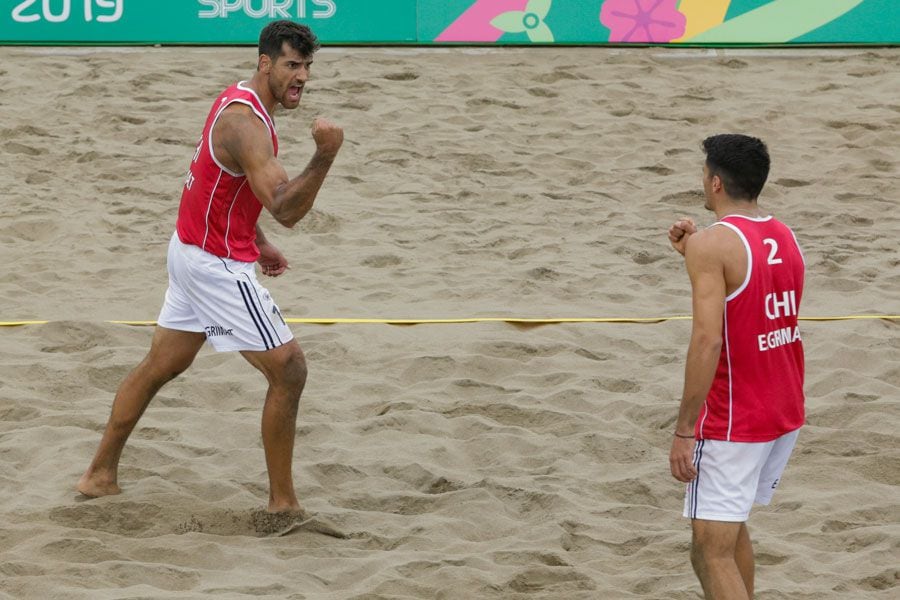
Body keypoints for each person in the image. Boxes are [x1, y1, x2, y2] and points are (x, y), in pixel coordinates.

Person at [78, 20, 343, 514]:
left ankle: (98, 475)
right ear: (265, 63)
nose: (301, 76)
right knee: (289, 370)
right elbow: (286, 208)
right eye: (291, 65)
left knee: (162, 365)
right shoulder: (245, 124)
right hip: (214, 265)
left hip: (190, 249)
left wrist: (255, 239)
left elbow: (219, 186)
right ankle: (283, 506)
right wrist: (325, 156)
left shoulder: (240, 100)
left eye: (307, 66)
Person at [667, 134, 805, 599]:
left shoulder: (714, 245)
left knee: (709, 551)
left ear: (717, 182)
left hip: (734, 417)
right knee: (729, 528)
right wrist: (694, 253)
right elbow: (748, 289)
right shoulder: (785, 236)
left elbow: (707, 341)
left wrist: (684, 429)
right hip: (782, 407)